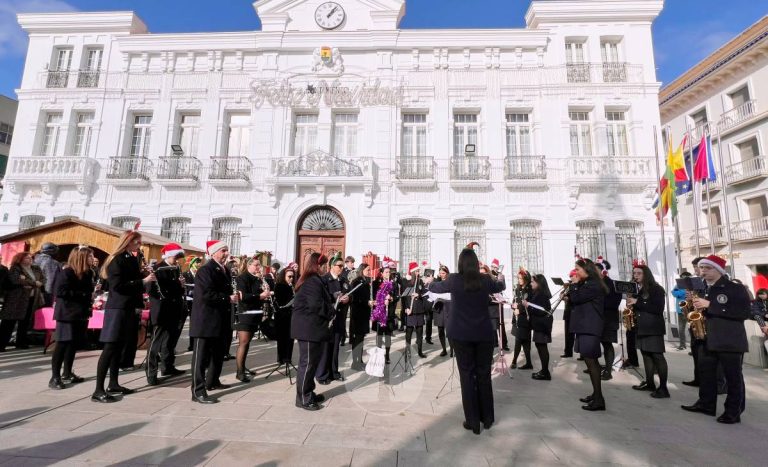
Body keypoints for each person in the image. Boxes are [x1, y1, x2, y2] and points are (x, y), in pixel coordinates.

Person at [426, 248, 505, 434]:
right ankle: (487, 418)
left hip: (460, 334)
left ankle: (472, 421)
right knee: (484, 375)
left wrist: (430, 281)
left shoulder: (453, 279)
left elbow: (434, 288)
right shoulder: (485, 280)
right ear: (477, 263)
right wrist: (497, 273)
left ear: (460, 263)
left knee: (467, 376)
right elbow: (501, 285)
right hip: (483, 334)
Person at [681, 255, 751, 424]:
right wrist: (692, 305)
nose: (702, 271)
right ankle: (706, 404)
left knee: (732, 378)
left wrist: (710, 305)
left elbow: (743, 313)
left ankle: (733, 412)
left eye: (707, 268)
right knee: (706, 374)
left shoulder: (734, 288)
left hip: (729, 340)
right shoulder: (704, 288)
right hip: (707, 339)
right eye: (701, 268)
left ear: (718, 270)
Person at [92, 231, 155, 403]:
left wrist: (142, 274)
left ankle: (113, 383)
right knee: (110, 348)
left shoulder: (130, 258)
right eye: (137, 242)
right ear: (127, 242)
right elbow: (118, 286)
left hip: (127, 308)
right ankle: (98, 389)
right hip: (117, 308)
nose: (139, 245)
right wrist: (143, 281)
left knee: (119, 347)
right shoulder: (117, 259)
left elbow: (131, 280)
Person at [190, 240, 239, 404]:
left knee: (218, 354)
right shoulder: (206, 269)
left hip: (220, 320)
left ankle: (212, 381)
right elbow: (205, 294)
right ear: (213, 253)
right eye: (223, 251)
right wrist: (227, 298)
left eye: (227, 250)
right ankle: (198, 391)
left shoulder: (224, 269)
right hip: (205, 320)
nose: (226, 253)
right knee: (201, 358)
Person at [292, 252, 334, 411]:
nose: (326, 268)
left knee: (312, 363)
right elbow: (316, 304)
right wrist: (331, 311)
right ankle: (303, 398)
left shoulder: (315, 280)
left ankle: (308, 392)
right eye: (324, 265)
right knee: (307, 363)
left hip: (312, 328)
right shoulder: (311, 281)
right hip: (308, 328)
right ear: (318, 266)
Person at [49, 247, 95, 389]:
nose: (92, 259)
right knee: (62, 344)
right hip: (67, 313)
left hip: (80, 313)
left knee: (73, 344)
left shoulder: (88, 273)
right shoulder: (67, 272)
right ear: (81, 258)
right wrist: (83, 295)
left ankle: (67, 372)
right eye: (89, 256)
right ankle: (54, 377)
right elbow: (60, 291)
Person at [568, 258, 608, 412]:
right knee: (590, 362)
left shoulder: (593, 285)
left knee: (592, 362)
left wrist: (574, 285)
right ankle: (596, 394)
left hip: (590, 327)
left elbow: (577, 298)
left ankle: (599, 399)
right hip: (585, 326)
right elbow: (576, 300)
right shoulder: (588, 284)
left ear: (587, 270)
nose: (575, 272)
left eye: (578, 269)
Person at [146, 243, 187, 386]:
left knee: (170, 341)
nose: (177, 260)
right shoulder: (157, 268)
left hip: (175, 309)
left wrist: (181, 285)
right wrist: (176, 284)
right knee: (156, 344)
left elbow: (178, 291)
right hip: (162, 311)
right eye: (176, 257)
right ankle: (151, 374)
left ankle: (167, 367)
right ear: (169, 255)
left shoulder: (176, 268)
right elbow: (153, 291)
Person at [627, 263, 670, 399]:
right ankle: (650, 383)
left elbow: (657, 308)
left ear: (646, 274)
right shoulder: (638, 289)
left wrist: (636, 302)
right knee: (646, 355)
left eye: (639, 273)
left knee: (657, 356)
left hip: (652, 327)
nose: (636, 276)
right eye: (634, 273)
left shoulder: (656, 289)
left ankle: (663, 388)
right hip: (641, 327)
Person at [1, 252, 45, 352]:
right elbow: (16, 280)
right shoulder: (16, 268)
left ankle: (21, 342)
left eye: (30, 258)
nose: (30, 259)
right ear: (20, 259)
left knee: (25, 322)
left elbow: (43, 280)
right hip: (16, 299)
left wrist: (28, 282)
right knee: (8, 322)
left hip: (31, 298)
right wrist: (34, 283)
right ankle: (1, 344)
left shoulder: (36, 268)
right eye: (27, 258)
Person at [317, 253, 349, 383]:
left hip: (339, 318)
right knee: (325, 349)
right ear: (332, 266)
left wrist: (347, 299)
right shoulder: (324, 280)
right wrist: (333, 298)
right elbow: (320, 299)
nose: (341, 268)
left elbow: (349, 293)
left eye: (342, 266)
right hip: (327, 319)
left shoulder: (343, 280)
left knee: (335, 348)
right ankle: (322, 375)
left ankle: (333, 372)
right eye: (339, 266)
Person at [595, 258, 621, 381]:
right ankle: (596, 367)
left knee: (607, 344)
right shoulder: (595, 283)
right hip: (598, 319)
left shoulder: (613, 284)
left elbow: (613, 303)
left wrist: (597, 303)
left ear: (602, 271)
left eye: (595, 270)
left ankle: (608, 370)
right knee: (597, 344)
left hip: (609, 320)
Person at [526, 274, 553, 380]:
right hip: (539, 325)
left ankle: (545, 372)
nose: (531, 283)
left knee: (542, 348)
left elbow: (541, 311)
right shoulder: (538, 293)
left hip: (542, 325)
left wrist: (528, 306)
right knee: (540, 347)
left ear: (539, 283)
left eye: (532, 282)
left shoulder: (541, 294)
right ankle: (544, 370)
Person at [372, 263, 400, 364]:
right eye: (386, 272)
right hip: (380, 313)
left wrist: (392, 298)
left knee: (388, 336)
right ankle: (379, 356)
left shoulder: (394, 283)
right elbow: (374, 298)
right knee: (379, 336)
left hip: (390, 314)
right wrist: (383, 300)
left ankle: (387, 356)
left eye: (389, 272)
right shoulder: (376, 283)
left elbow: (397, 296)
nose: (388, 274)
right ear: (382, 273)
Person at [349, 263, 374, 370]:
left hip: (364, 313)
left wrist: (370, 302)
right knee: (357, 339)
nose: (369, 271)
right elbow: (355, 299)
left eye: (369, 270)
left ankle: (360, 360)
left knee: (361, 338)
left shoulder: (365, 281)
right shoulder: (356, 282)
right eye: (367, 270)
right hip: (358, 314)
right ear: (362, 270)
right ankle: (355, 363)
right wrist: (366, 302)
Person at [402, 262, 427, 359]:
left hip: (419, 310)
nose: (418, 272)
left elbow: (424, 293)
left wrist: (419, 295)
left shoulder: (420, 281)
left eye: (418, 271)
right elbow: (404, 297)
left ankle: (420, 351)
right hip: (410, 310)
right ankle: (407, 350)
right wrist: (406, 308)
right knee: (409, 332)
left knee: (420, 332)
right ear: (412, 272)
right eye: (416, 271)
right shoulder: (406, 282)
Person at [510, 268, 533, 370]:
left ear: (526, 279)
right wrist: (513, 305)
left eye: (520, 278)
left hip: (524, 319)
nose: (519, 280)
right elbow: (514, 300)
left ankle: (514, 361)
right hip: (517, 319)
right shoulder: (517, 289)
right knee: (523, 341)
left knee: (520, 341)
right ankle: (528, 363)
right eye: (518, 278)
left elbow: (529, 305)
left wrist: (520, 310)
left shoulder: (529, 290)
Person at [273, 267, 296, 365]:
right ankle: (281, 358)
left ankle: (288, 357)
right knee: (282, 337)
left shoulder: (291, 286)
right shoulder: (279, 286)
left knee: (290, 337)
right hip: (282, 315)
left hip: (291, 314)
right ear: (284, 276)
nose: (291, 278)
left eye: (292, 277)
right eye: (289, 276)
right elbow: (281, 301)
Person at [34, 242, 62, 307]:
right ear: (51, 251)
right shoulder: (53, 263)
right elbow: (51, 282)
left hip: (32, 294)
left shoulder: (34, 260)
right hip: (46, 296)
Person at [490, 259, 509, 351]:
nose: (493, 268)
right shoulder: (488, 275)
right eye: (492, 266)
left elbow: (504, 287)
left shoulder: (501, 276)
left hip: (498, 301)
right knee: (492, 323)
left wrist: (498, 279)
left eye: (495, 267)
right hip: (490, 302)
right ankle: (494, 342)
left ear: (497, 268)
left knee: (501, 323)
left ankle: (504, 343)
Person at [183, 256, 201, 352]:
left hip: (197, 302)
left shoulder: (199, 274)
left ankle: (192, 345)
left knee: (194, 323)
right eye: (197, 262)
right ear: (192, 264)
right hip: (188, 302)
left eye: (199, 263)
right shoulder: (185, 274)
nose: (199, 265)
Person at [432, 265, 451, 357]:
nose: (441, 275)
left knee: (449, 330)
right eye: (440, 273)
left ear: (447, 273)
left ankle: (452, 349)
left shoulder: (450, 282)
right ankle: (444, 349)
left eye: (443, 273)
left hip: (448, 308)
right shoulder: (437, 282)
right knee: (440, 330)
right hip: (439, 308)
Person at [671, 272, 692, 350]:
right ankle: (682, 345)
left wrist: (682, 293)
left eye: (685, 277)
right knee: (681, 329)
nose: (683, 279)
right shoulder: (678, 285)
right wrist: (683, 293)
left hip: (690, 310)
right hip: (681, 310)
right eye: (682, 277)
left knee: (692, 329)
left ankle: (693, 345)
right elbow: (673, 292)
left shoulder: (692, 284)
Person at [561, 269, 578, 358]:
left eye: (572, 276)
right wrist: (562, 294)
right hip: (568, 312)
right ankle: (568, 352)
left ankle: (583, 354)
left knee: (579, 335)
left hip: (576, 313)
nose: (570, 278)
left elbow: (578, 298)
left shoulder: (579, 285)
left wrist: (568, 299)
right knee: (568, 334)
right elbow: (563, 294)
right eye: (570, 276)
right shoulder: (569, 286)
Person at [341, 255, 355, 343]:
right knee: (343, 317)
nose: (353, 264)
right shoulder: (343, 271)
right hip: (346, 296)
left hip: (353, 296)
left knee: (353, 318)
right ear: (347, 263)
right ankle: (342, 337)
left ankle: (351, 338)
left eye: (353, 262)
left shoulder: (355, 271)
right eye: (351, 262)